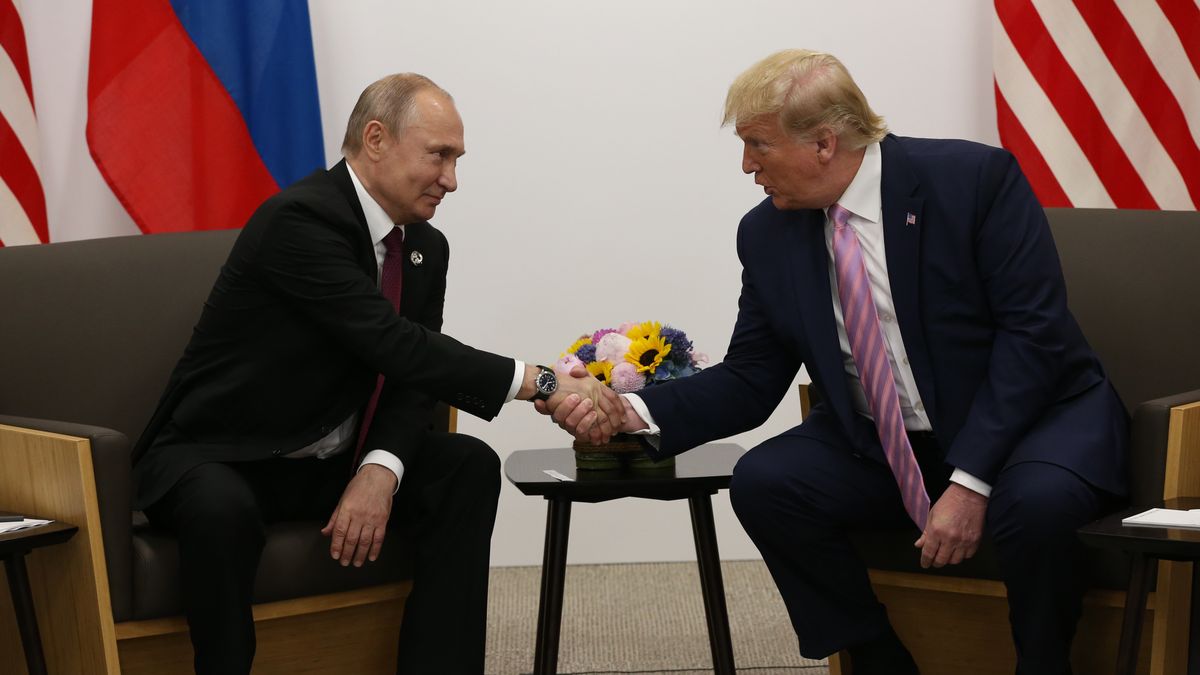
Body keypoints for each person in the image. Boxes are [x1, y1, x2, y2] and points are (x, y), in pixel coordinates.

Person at [544, 50, 1128, 675]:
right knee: (768, 484)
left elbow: (1032, 337)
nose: (746, 167)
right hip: (888, 444)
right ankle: (879, 660)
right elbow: (751, 376)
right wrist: (628, 410)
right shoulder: (768, 232)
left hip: (1029, 426)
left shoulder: (972, 180)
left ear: (824, 143)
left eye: (757, 145)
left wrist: (970, 481)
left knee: (1035, 508)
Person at [132, 73, 622, 675]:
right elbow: (395, 345)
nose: (451, 179)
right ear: (376, 139)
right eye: (438, 155)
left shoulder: (425, 247)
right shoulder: (299, 221)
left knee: (464, 467)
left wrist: (380, 469)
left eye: (457, 159)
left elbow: (414, 380)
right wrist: (542, 382)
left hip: (328, 459)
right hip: (223, 453)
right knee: (221, 509)